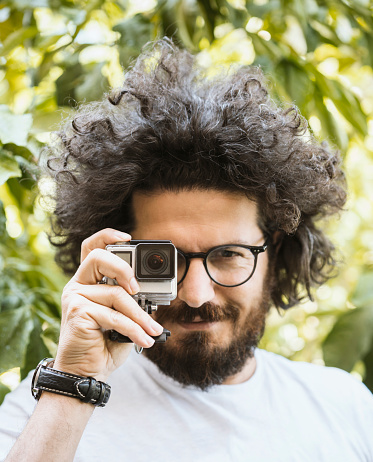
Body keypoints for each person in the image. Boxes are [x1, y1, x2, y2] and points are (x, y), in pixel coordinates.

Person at [0, 38, 372, 462]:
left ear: (277, 253)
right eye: (163, 260)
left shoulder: (347, 408)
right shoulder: (46, 410)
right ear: (115, 257)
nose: (196, 295)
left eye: (229, 254)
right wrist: (74, 385)